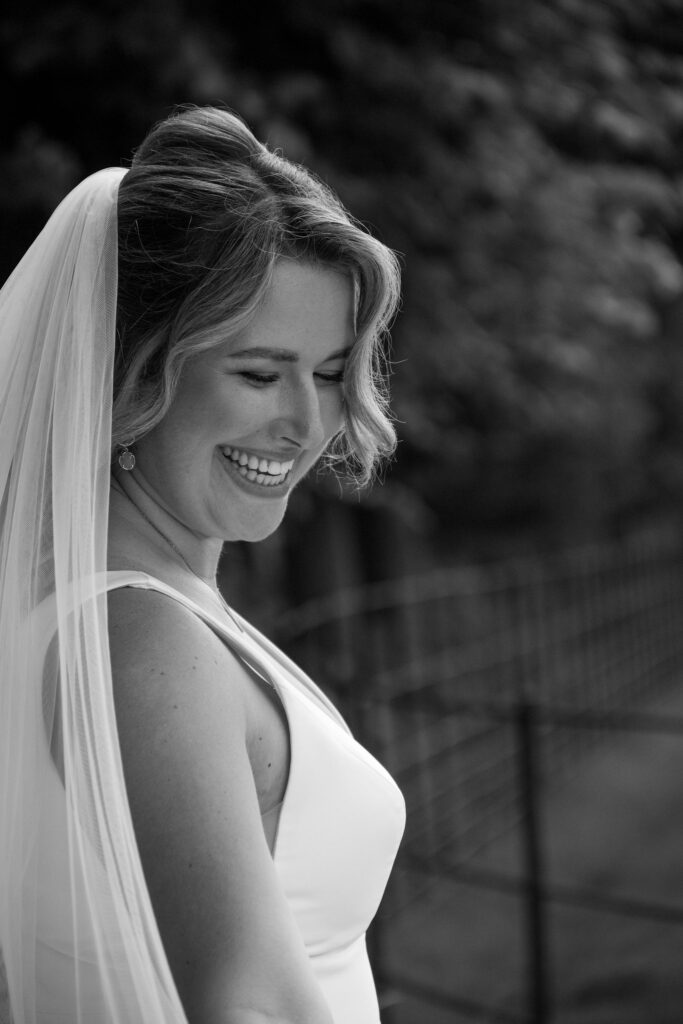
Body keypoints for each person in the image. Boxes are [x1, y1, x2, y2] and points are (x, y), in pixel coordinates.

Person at [0, 106, 404, 1024]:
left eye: (329, 372)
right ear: (135, 375)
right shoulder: (143, 637)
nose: (307, 423)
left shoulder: (131, 614)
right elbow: (247, 1003)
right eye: (258, 374)